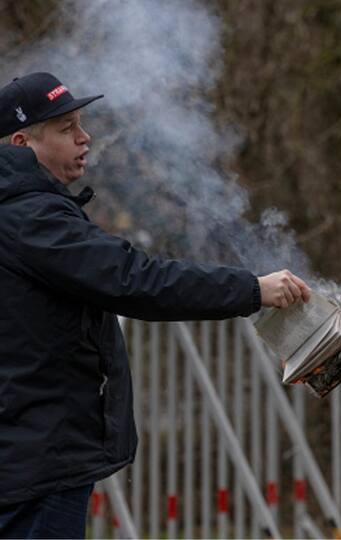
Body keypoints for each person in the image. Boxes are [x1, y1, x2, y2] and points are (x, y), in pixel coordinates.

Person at [0, 72, 310, 538]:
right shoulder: (31, 218)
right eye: (66, 128)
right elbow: (136, 280)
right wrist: (253, 289)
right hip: (39, 461)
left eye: (81, 123)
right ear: (22, 143)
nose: (84, 138)